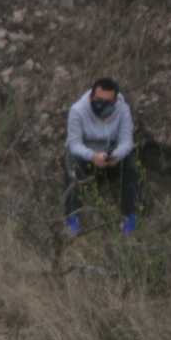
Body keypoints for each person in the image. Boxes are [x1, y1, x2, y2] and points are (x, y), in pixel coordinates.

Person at [63, 77, 137, 235]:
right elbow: (74, 144)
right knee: (71, 161)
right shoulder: (77, 110)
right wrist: (92, 156)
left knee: (131, 162)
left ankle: (129, 215)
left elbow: (127, 142)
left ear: (115, 100)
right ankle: (72, 217)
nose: (101, 105)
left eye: (107, 102)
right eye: (98, 100)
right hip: (86, 156)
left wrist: (116, 155)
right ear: (91, 96)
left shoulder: (123, 109)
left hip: (111, 156)